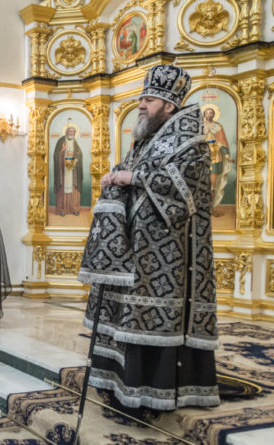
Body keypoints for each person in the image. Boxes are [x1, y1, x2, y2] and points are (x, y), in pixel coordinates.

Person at [85, 64, 219, 411]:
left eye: (149, 99)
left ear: (169, 106)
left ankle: (155, 392)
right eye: (142, 97)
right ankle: (121, 384)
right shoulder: (146, 141)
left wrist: (132, 177)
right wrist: (117, 176)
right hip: (135, 254)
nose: (141, 104)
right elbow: (131, 174)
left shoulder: (192, 143)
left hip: (168, 259)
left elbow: (187, 192)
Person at [52, 125, 84, 217]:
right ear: (66, 132)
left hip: (73, 171)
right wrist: (62, 151)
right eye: (69, 132)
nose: (71, 134)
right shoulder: (61, 141)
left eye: (73, 132)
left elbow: (79, 154)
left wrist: (74, 154)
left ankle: (75, 209)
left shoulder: (75, 142)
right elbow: (56, 154)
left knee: (74, 189)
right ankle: (62, 209)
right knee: (62, 190)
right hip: (63, 170)